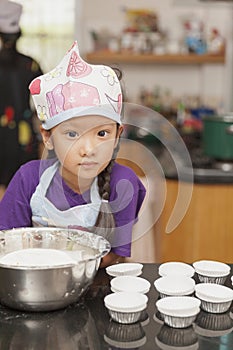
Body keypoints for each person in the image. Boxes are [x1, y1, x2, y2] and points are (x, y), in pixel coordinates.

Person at [0, 41, 146, 267]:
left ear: (117, 135)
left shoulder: (124, 183)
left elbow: (116, 255)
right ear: (47, 137)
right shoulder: (28, 179)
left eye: (102, 133)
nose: (88, 149)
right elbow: (7, 247)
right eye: (71, 134)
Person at [0, 0, 43, 193]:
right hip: (24, 140)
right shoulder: (31, 65)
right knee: (23, 193)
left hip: (8, 138)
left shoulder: (30, 65)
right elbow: (44, 105)